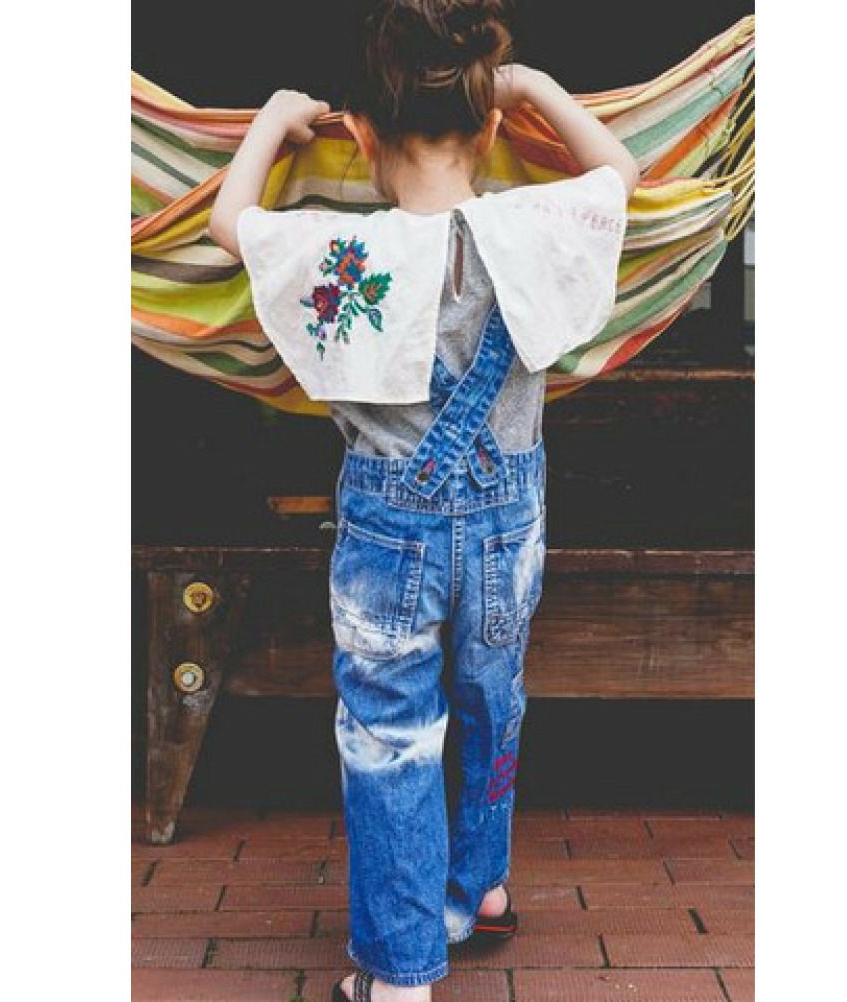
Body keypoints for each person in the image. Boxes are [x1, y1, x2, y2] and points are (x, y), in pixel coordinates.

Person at [209, 2, 638, 998]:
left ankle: (401, 974)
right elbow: (623, 170)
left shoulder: (338, 253)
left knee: (391, 737)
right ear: (489, 127)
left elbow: (230, 224)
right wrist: (532, 88)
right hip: (508, 526)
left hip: (385, 533)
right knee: (494, 701)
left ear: (360, 134)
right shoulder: (538, 229)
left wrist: (271, 122)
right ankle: (477, 888)